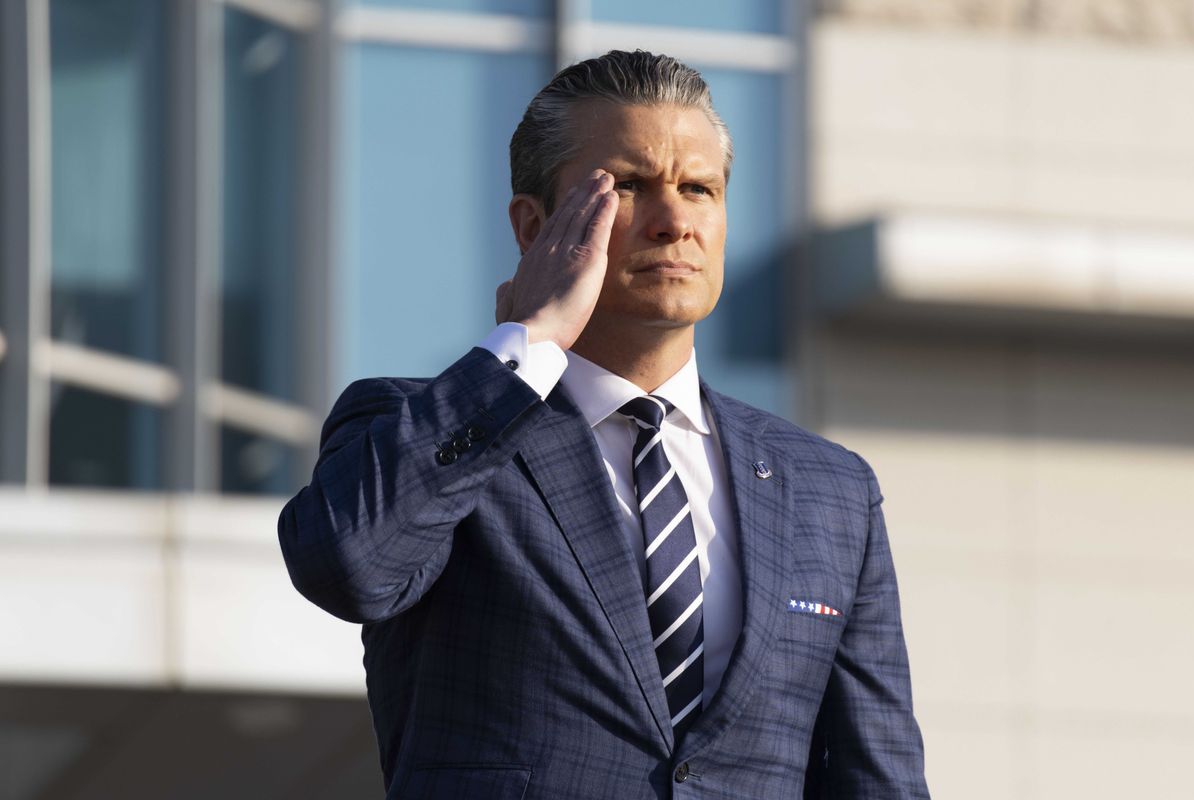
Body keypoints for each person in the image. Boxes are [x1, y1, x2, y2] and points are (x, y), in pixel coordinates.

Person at [279, 50, 929, 799]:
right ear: (533, 225)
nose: (675, 220)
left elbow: (878, 778)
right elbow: (348, 567)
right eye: (629, 186)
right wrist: (529, 340)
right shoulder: (420, 424)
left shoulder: (832, 490)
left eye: (699, 189)